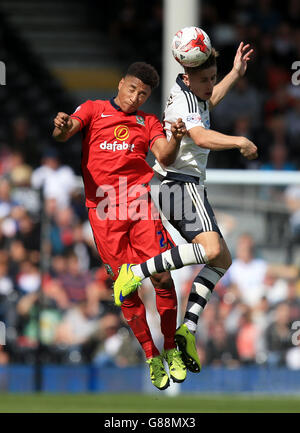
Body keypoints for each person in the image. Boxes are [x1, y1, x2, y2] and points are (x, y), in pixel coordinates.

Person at [114, 32, 258, 373]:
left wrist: (235, 73)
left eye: (213, 77)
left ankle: (187, 328)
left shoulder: (195, 91)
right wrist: (240, 141)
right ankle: (136, 272)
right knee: (210, 251)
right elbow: (200, 136)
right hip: (178, 184)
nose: (211, 84)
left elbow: (210, 100)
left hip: (181, 185)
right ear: (187, 74)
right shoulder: (182, 101)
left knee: (222, 259)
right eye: (206, 79)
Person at [52, 62, 187, 390]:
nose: (135, 97)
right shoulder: (95, 110)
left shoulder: (148, 121)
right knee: (125, 286)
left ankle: (170, 346)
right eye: (132, 89)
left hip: (140, 207)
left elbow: (165, 157)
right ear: (120, 83)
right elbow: (65, 131)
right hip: (104, 213)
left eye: (143, 94)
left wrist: (178, 139)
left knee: (163, 275)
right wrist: (62, 125)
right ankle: (151, 353)